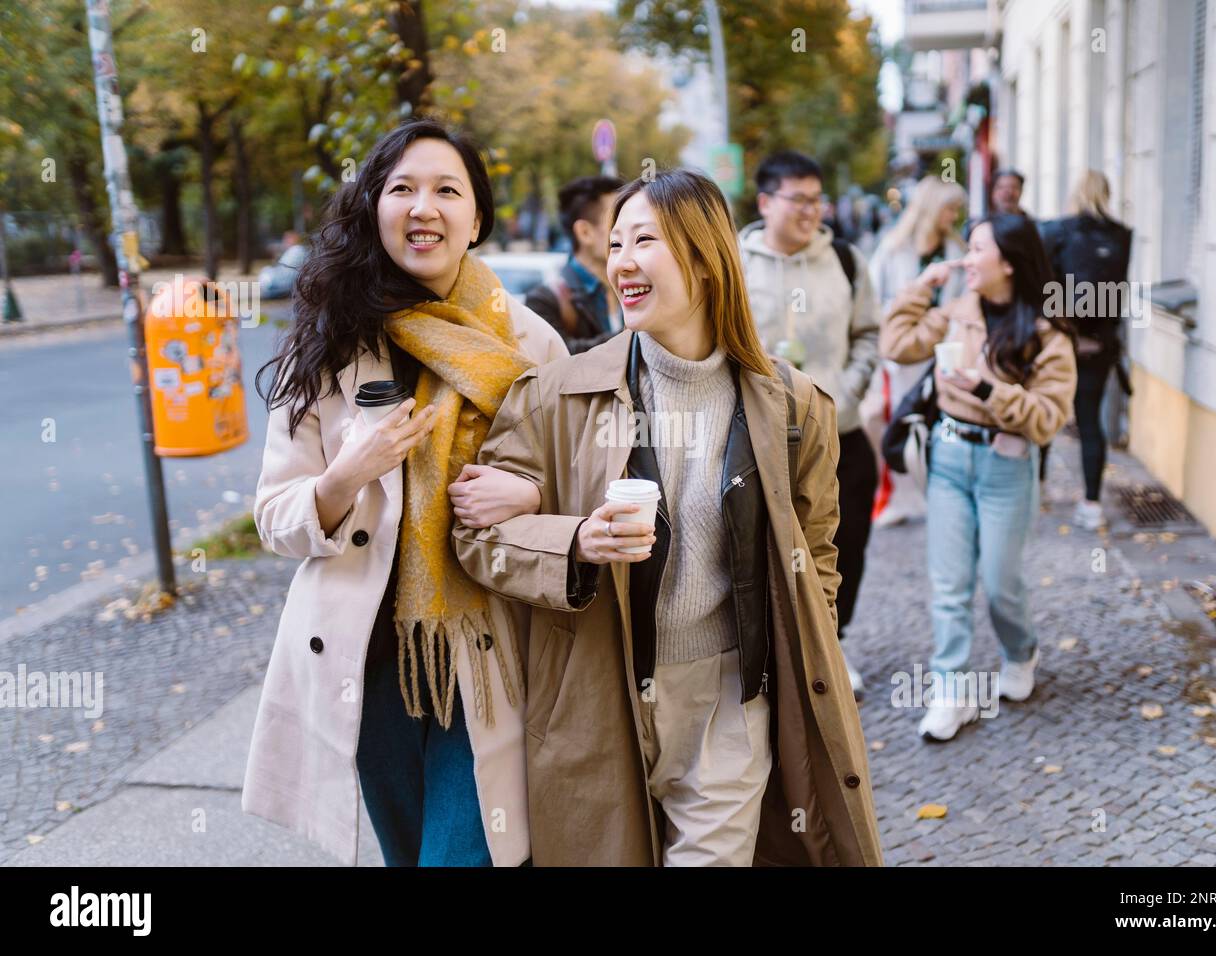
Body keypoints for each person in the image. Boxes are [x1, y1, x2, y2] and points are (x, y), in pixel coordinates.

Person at [454, 168, 884, 867]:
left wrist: (799, 647)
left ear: (706, 259)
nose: (622, 259)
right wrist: (574, 540)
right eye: (616, 241)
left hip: (727, 709)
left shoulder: (795, 408)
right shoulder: (559, 396)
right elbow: (475, 536)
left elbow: (817, 555)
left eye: (645, 239)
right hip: (598, 703)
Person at [243, 119, 567, 867]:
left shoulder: (531, 344)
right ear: (375, 208)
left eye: (447, 190)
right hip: (370, 659)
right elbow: (275, 516)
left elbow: (578, 490)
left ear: (477, 217)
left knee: (462, 855)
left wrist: (528, 497)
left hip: (491, 654)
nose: (424, 207)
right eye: (402, 189)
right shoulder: (330, 341)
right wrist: (344, 476)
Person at [881, 214, 1077, 742]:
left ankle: (1021, 650)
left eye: (977, 249)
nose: (967, 258)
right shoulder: (956, 313)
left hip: (1006, 466)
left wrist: (988, 390)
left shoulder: (1045, 331)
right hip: (947, 458)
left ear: (1009, 262)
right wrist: (921, 288)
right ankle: (951, 692)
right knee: (949, 585)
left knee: (999, 583)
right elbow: (896, 345)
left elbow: (1048, 416)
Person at [737, 150, 881, 702]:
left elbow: (870, 331)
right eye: (799, 199)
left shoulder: (844, 259)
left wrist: (849, 388)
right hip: (759, 438)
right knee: (762, 549)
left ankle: (832, 645)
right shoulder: (735, 262)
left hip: (840, 433)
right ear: (767, 201)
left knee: (843, 546)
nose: (811, 211)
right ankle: (772, 654)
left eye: (818, 199)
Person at [865, 175, 967, 527]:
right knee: (896, 421)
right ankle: (897, 497)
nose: (953, 215)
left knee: (936, 421)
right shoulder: (893, 249)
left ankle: (932, 494)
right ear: (931, 208)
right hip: (902, 351)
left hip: (943, 349)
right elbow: (873, 297)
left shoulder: (956, 250)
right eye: (949, 208)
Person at [1038, 170, 1133, 531]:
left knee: (1047, 415)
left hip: (1061, 342)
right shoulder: (1122, 236)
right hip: (1100, 346)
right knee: (1090, 421)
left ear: (1074, 192)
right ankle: (1092, 504)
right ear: (1106, 194)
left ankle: (1040, 489)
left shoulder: (1056, 231)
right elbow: (1117, 294)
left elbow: (1043, 288)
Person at [525, 175, 625, 353]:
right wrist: (634, 334)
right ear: (584, 232)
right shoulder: (544, 301)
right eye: (617, 220)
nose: (627, 229)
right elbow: (559, 358)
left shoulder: (635, 286)